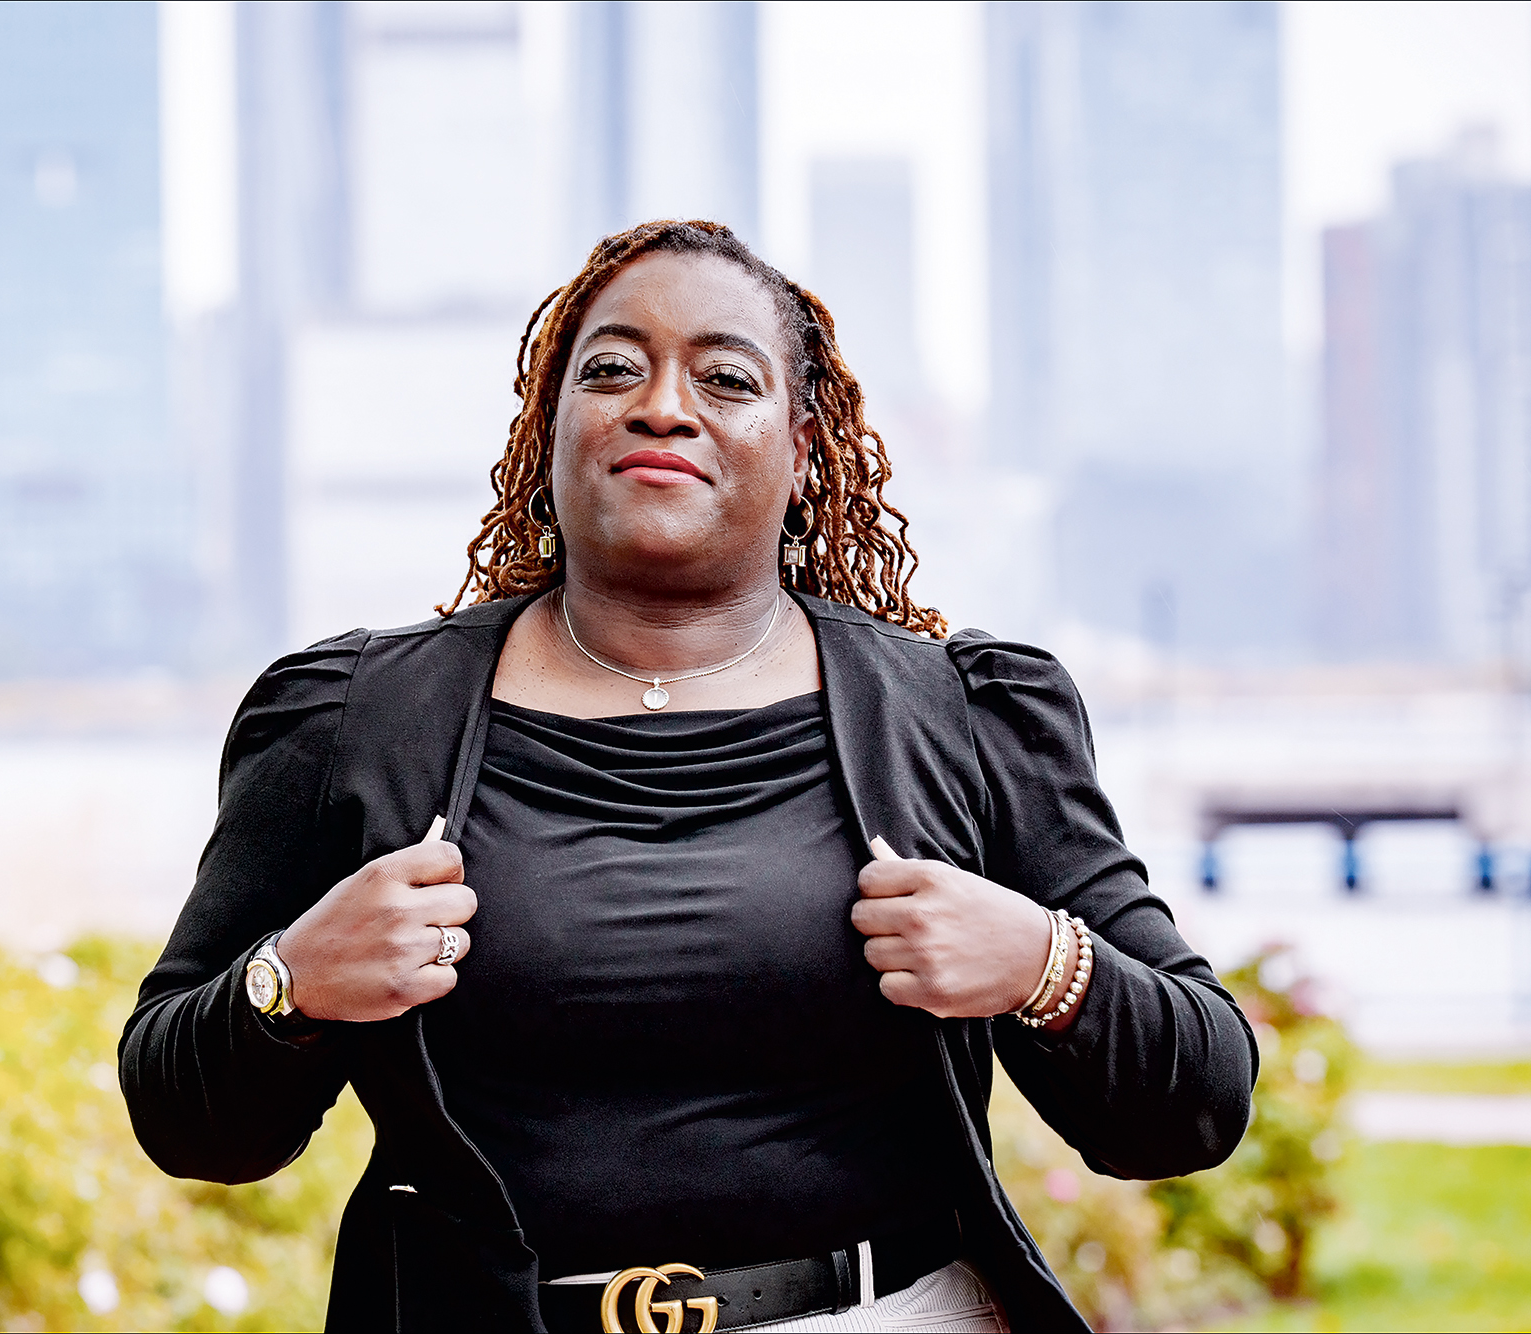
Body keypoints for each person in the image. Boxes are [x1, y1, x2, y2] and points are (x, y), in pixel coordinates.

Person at [120, 220, 1255, 1334]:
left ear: (803, 450)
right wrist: (290, 981)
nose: (661, 404)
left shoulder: (962, 718)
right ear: (549, 427)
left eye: (724, 378)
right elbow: (186, 1117)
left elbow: (1193, 1100)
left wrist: (1039, 962)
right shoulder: (356, 721)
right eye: (611, 368)